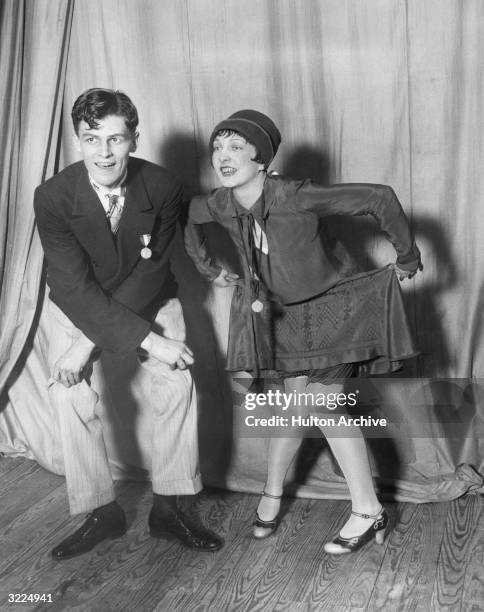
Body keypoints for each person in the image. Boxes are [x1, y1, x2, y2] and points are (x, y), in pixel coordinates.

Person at [184, 109, 422, 554]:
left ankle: (369, 511)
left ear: (261, 161)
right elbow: (188, 218)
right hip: (283, 320)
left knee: (322, 408)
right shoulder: (220, 203)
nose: (222, 155)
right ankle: (272, 494)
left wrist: (407, 257)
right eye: (218, 147)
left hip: (336, 312)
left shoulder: (296, 195)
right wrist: (210, 269)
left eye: (236, 147)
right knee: (296, 407)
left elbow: (380, 197)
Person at [34, 88, 223, 560]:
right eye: (91, 139)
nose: (103, 152)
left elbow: (151, 272)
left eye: (115, 139)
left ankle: (170, 507)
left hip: (151, 298)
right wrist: (90, 343)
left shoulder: (162, 187)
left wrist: (112, 341)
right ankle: (102, 512)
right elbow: (73, 286)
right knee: (67, 389)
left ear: (134, 139)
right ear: (77, 140)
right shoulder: (53, 196)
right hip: (81, 306)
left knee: (176, 382)